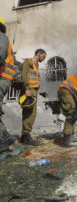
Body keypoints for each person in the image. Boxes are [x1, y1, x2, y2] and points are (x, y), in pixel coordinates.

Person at [20, 49, 46, 145]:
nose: (43, 59)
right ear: (38, 54)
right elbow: (24, 75)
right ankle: (26, 136)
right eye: (43, 57)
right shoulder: (28, 62)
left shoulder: (36, 65)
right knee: (29, 113)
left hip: (33, 91)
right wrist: (27, 88)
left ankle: (24, 136)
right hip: (29, 90)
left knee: (31, 113)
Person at [0, 18, 17, 149]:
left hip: (2, 78)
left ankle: (4, 138)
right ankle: (4, 137)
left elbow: (0, 55)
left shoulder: (1, 38)